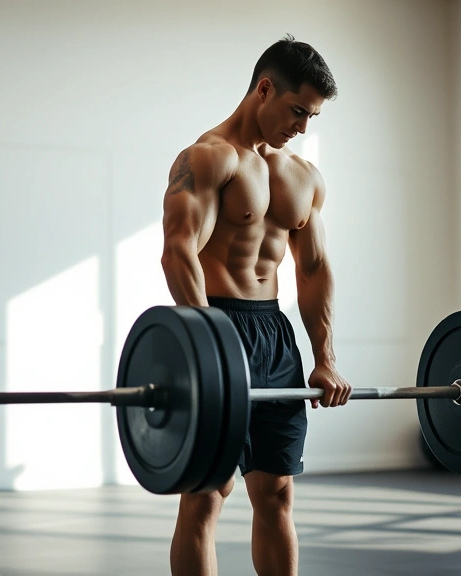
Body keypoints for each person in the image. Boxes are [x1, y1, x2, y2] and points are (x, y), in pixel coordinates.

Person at [160, 35, 352, 576]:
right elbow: (178, 253)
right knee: (206, 496)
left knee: (277, 495)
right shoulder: (206, 158)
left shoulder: (303, 177)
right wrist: (209, 348)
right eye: (297, 111)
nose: (302, 127)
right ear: (263, 89)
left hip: (274, 337)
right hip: (215, 324)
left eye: (312, 116)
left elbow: (312, 269)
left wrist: (325, 356)